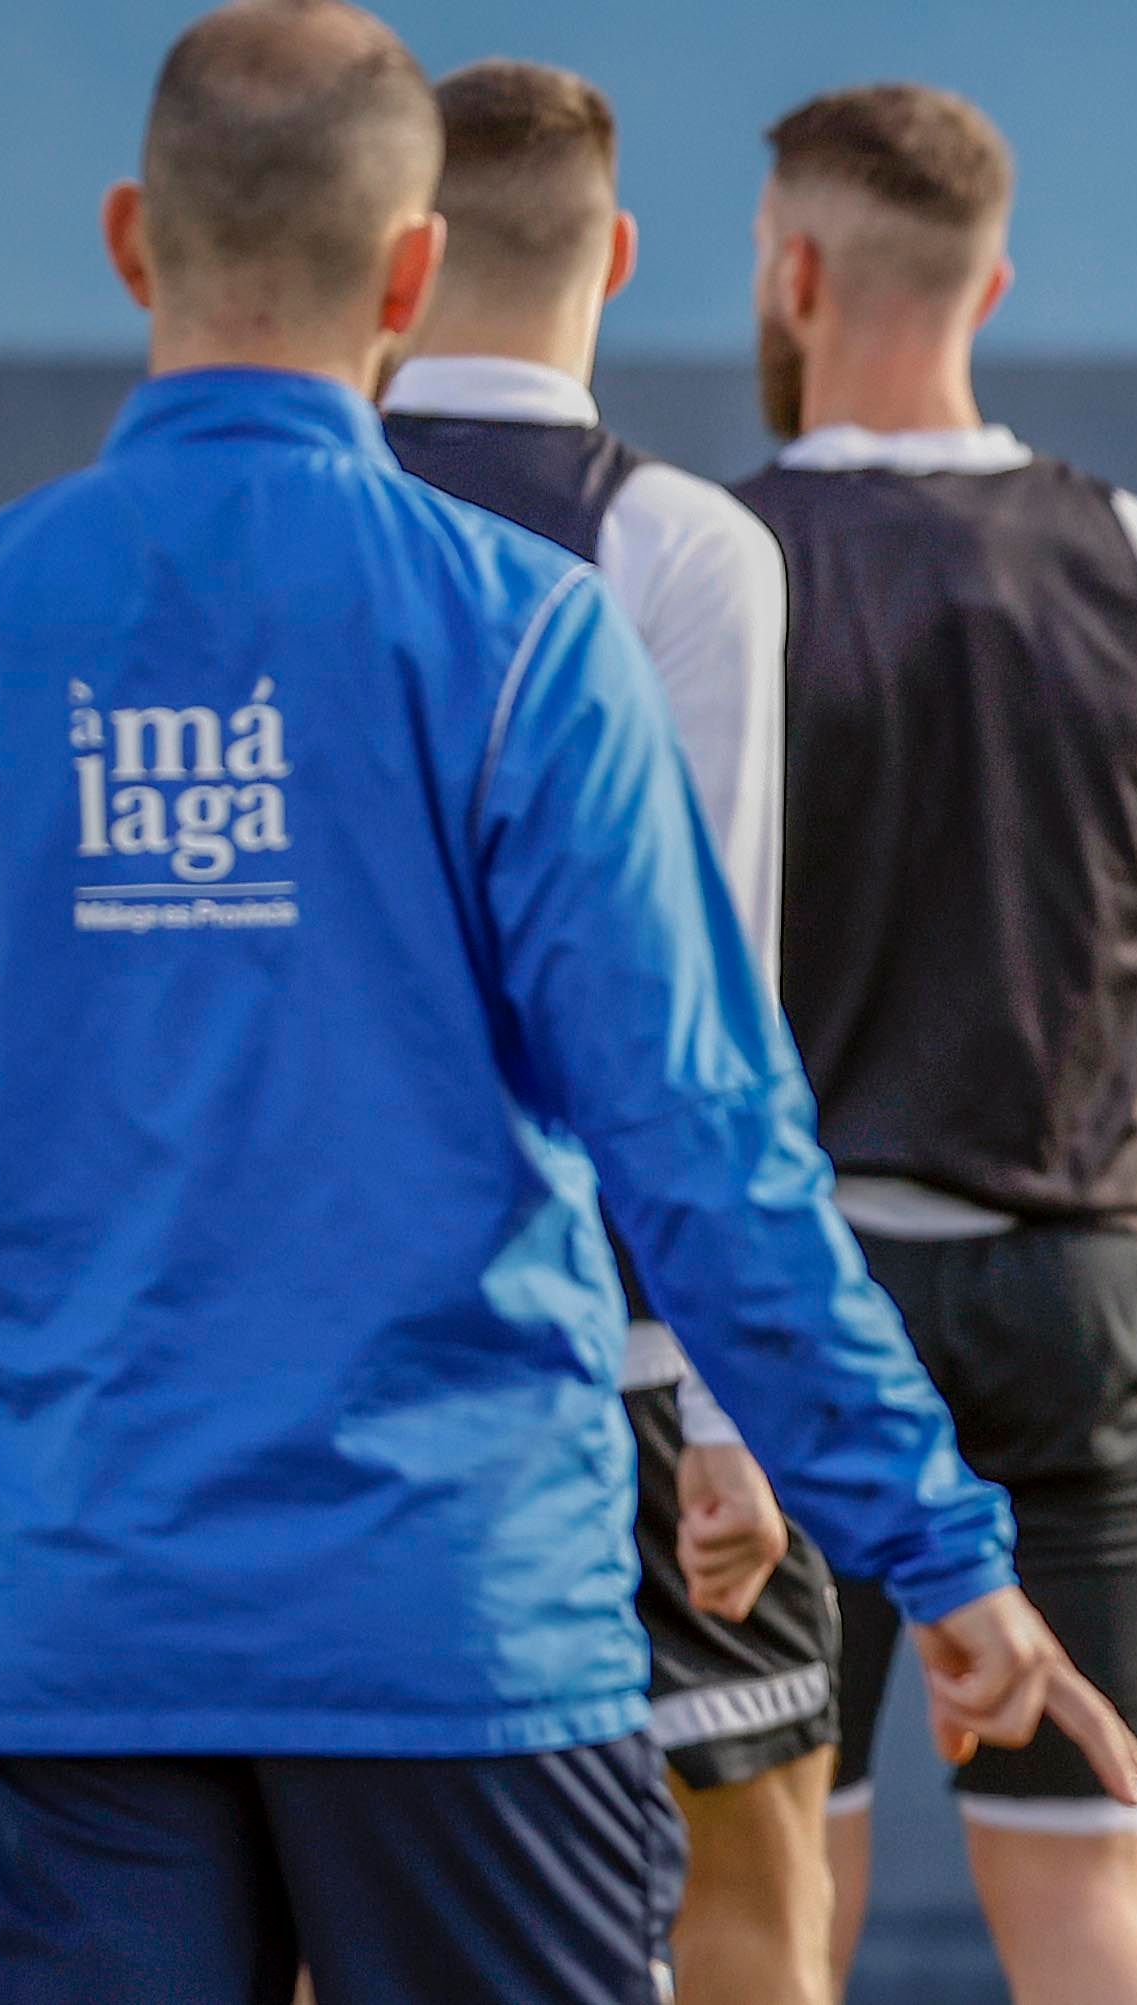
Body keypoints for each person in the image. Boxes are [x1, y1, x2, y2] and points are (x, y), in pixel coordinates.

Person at [0, 9, 1137, 2003]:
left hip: (60, 1634)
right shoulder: (523, 635)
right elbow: (702, 1143)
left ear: (133, 239)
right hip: (453, 1629)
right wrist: (939, 1543)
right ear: (412, 273)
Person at [733, 83, 1137, 2005]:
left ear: (792, 273)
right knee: (1088, 1914)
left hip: (791, 1320)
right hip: (1084, 1298)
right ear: (995, 281)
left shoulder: (697, 568)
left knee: (772, 1905)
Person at [378, 58, 835, 2005]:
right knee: (748, 1868)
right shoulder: (680, 548)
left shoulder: (278, 525)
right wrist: (740, 1409)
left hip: (322, 1343)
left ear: (396, 267)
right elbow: (706, 1003)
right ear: (622, 258)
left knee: (348, 1882)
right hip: (618, 1347)